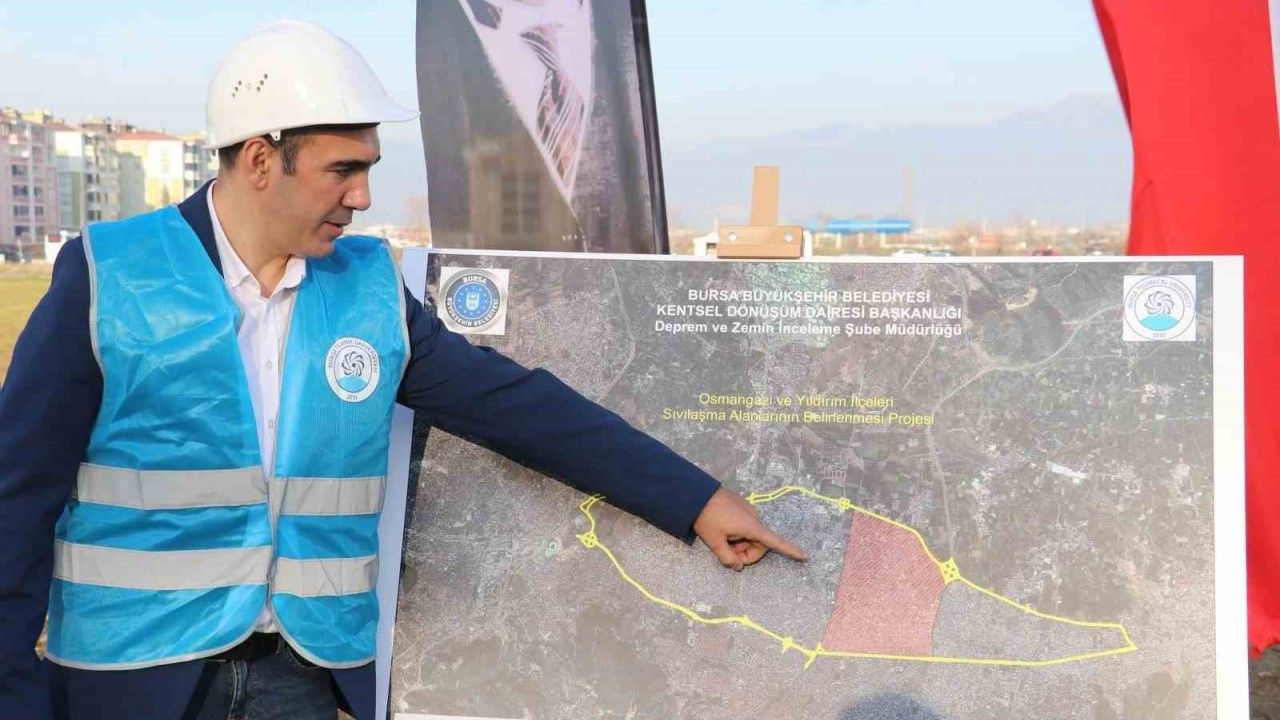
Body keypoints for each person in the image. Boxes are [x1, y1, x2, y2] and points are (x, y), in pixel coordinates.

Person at [0, 19, 806, 720]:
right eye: (341, 170)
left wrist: (693, 499)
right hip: (131, 680)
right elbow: (16, 500)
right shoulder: (110, 275)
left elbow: (516, 407)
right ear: (259, 159)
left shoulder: (369, 291)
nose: (361, 197)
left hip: (301, 679)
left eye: (369, 169)